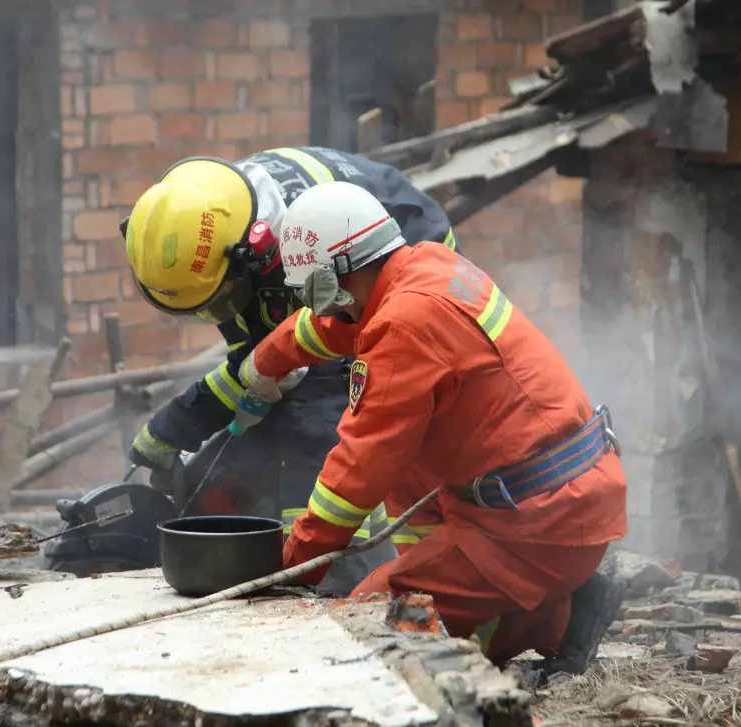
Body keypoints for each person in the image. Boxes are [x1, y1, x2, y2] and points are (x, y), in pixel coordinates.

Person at [237, 181, 627, 672]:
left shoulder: (403, 325)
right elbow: (338, 327)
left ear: (337, 274)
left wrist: (294, 564)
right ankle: (492, 588)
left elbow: (358, 470)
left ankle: (558, 616)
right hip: (559, 495)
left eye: (316, 293)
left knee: (372, 625)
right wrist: (265, 361)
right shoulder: (424, 267)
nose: (322, 308)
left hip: (538, 524)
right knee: (408, 463)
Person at [119, 147, 460, 593]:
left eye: (220, 299)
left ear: (251, 258)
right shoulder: (218, 218)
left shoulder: (298, 250)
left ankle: (366, 581)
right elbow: (259, 363)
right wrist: (173, 429)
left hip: (400, 261)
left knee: (360, 425)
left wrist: (306, 550)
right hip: (315, 270)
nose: (219, 314)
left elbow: (315, 398)